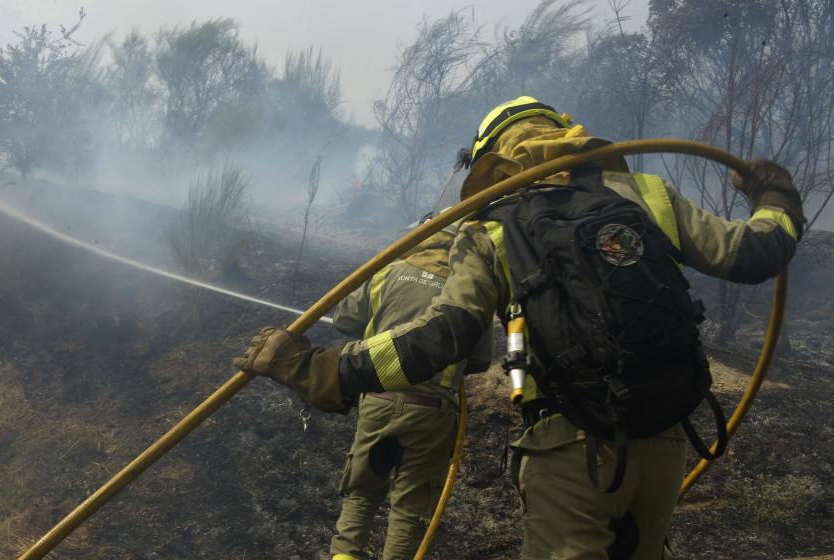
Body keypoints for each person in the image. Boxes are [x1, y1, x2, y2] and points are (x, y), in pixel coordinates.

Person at [235, 96, 804, 559]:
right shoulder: (648, 195)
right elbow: (758, 251)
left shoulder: (493, 229)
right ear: (570, 138)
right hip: (668, 437)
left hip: (570, 448)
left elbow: (443, 337)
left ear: (495, 166)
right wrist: (774, 193)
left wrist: (317, 368)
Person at [329, 221, 492, 560]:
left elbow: (344, 320)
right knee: (410, 510)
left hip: (377, 400)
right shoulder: (471, 287)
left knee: (360, 496)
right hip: (431, 412)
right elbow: (479, 359)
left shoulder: (389, 270)